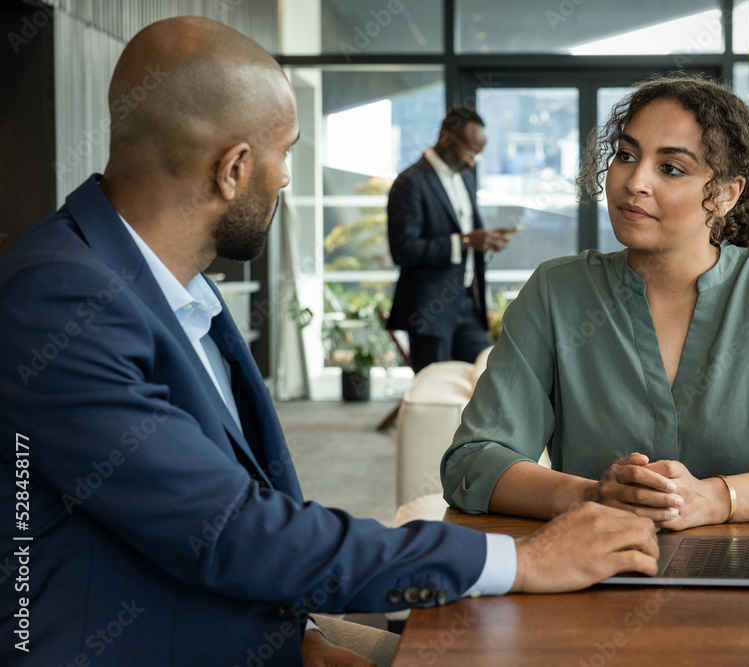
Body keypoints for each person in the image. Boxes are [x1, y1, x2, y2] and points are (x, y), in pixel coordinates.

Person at [0, 18, 660, 667]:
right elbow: (230, 530)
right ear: (233, 168)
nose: (286, 178)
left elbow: (190, 522)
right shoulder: (60, 300)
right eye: (285, 153)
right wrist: (526, 558)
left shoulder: (169, 288)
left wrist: (300, 636)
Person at [441, 75, 749, 531]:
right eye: (626, 155)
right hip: (589, 578)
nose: (634, 181)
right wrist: (593, 497)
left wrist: (718, 498)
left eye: (671, 168)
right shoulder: (555, 292)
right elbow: (472, 461)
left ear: (725, 195)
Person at [385, 107, 513, 373]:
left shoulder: (464, 178)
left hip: (468, 304)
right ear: (445, 138)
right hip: (431, 309)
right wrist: (465, 241)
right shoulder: (410, 182)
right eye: (469, 152)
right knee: (432, 391)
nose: (472, 162)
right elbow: (403, 249)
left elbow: (468, 236)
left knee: (487, 379)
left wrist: (485, 241)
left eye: (477, 155)